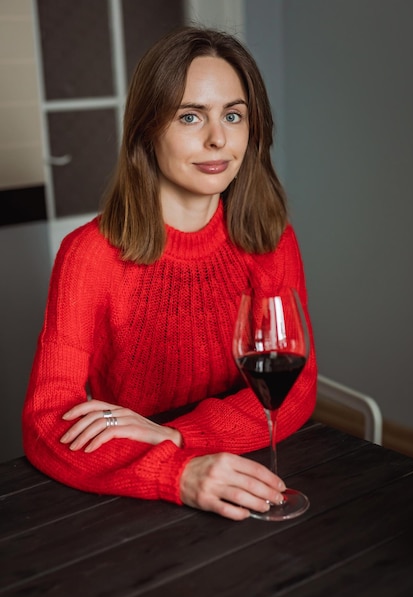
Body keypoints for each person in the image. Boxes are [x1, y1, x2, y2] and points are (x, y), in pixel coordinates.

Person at [22, 26, 317, 521]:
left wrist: (184, 436)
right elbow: (45, 423)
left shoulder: (270, 238)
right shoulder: (88, 255)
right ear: (146, 129)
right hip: (138, 498)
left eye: (233, 115)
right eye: (189, 116)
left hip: (248, 477)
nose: (218, 138)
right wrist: (177, 472)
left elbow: (298, 387)